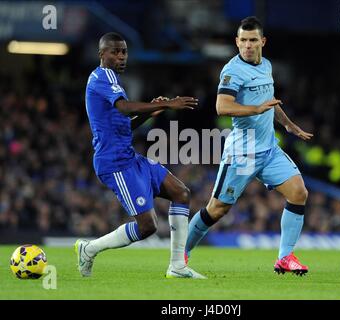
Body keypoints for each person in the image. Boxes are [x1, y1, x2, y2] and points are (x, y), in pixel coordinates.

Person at [185, 17, 313, 275]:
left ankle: (285, 257)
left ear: (262, 42)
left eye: (253, 40)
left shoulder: (266, 65)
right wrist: (254, 109)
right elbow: (222, 106)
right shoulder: (232, 71)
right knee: (217, 209)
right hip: (242, 153)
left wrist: (288, 124)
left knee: (299, 192)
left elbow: (270, 102)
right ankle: (180, 254)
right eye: (243, 40)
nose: (247, 45)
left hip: (268, 150)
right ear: (236, 42)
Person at [76, 32, 206, 279]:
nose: (121, 56)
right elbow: (124, 108)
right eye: (115, 52)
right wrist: (168, 105)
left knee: (181, 193)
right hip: (114, 163)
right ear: (102, 54)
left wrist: (151, 110)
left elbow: (126, 124)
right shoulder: (101, 77)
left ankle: (177, 266)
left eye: (124, 51)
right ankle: (89, 249)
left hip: (130, 157)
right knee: (147, 227)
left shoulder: (111, 80)